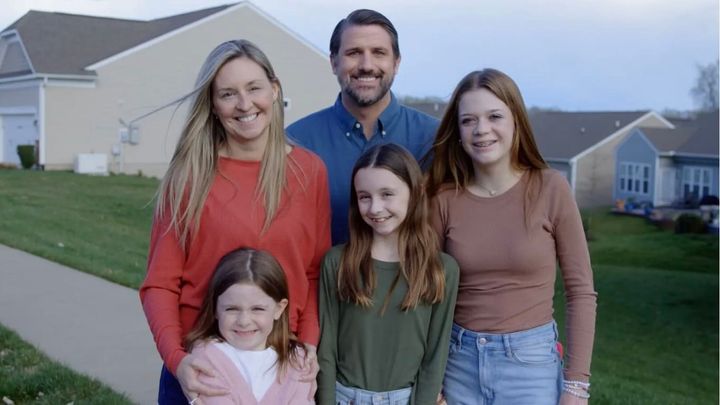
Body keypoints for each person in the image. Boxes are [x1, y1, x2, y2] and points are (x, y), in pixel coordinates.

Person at [139, 39, 331, 404]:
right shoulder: (190, 174)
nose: (244, 105)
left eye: (254, 88)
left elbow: (313, 273)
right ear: (212, 105)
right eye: (228, 94)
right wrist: (177, 362)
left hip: (282, 370)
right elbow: (159, 285)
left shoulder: (309, 172)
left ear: (274, 90)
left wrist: (307, 345)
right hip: (204, 369)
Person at [426, 69, 597, 405]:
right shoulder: (442, 199)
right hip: (457, 365)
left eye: (494, 116)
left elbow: (581, 292)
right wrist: (431, 381)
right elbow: (427, 298)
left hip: (531, 368)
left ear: (516, 120)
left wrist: (576, 386)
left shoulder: (551, 188)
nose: (481, 130)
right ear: (457, 131)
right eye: (468, 120)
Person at [317, 143, 459, 405]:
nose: (375, 208)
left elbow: (435, 355)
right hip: (345, 397)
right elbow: (325, 350)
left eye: (387, 194)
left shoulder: (441, 270)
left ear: (414, 193)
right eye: (364, 196)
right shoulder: (338, 263)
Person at [286, 9, 439, 245]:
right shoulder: (295, 143)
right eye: (354, 53)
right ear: (334, 62)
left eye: (379, 53)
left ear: (396, 63)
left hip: (417, 280)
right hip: (327, 280)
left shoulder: (434, 139)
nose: (367, 65)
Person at [184, 247, 314, 404]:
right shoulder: (207, 356)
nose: (244, 321)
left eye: (257, 309)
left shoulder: (298, 360)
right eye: (232, 309)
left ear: (279, 309)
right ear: (215, 309)